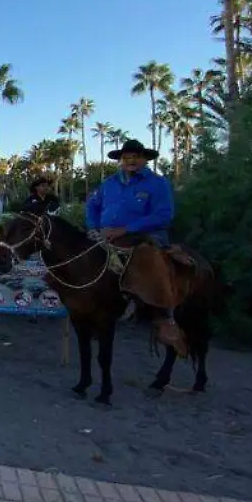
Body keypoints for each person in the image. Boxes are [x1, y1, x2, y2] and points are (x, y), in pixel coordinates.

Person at [87, 139, 186, 350]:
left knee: (148, 259)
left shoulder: (157, 183)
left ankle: (164, 315)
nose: (131, 160)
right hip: (106, 235)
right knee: (81, 257)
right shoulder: (109, 183)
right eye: (126, 157)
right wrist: (94, 227)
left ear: (144, 159)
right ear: (121, 160)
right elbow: (93, 206)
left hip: (145, 234)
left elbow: (163, 215)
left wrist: (126, 229)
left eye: (135, 157)